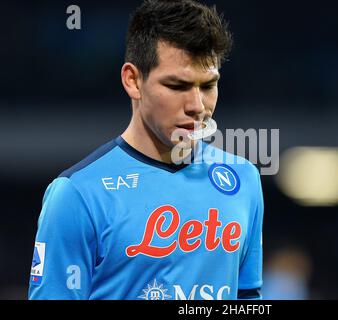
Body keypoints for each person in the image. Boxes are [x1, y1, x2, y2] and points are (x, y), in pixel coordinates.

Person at [28, 0, 264, 300]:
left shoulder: (243, 179)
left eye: (207, 86)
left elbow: (247, 298)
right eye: (177, 86)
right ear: (133, 80)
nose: (197, 106)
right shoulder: (77, 194)